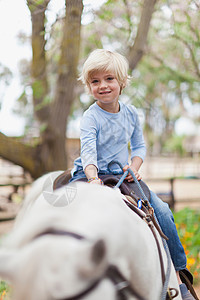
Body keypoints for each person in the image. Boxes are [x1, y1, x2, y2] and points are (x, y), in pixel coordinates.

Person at [69, 49, 194, 300]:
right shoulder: (90, 117)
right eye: (95, 81)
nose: (102, 86)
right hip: (91, 174)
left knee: (162, 211)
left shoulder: (131, 114)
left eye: (109, 79)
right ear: (88, 86)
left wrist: (133, 168)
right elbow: (89, 152)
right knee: (72, 215)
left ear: (122, 81)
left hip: (122, 175)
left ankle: (179, 274)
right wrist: (92, 179)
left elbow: (139, 147)